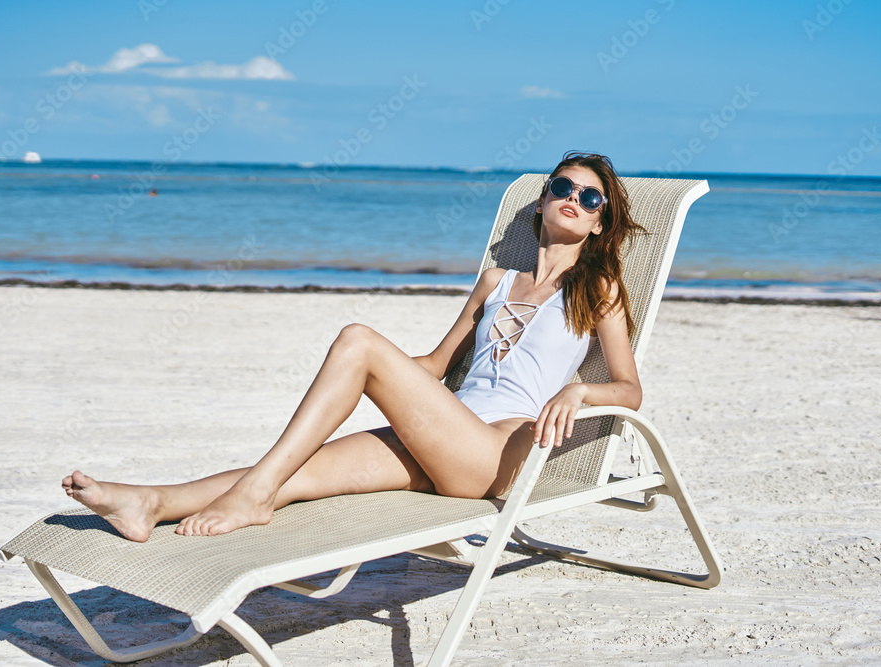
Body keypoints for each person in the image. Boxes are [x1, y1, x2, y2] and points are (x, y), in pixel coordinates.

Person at [62, 152, 645, 542]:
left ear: (599, 224)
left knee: (358, 340)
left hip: (495, 455)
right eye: (562, 187)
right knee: (297, 469)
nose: (574, 197)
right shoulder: (495, 282)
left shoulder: (598, 288)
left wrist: (579, 391)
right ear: (542, 201)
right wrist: (368, 381)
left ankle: (252, 500)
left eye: (590, 198)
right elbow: (435, 366)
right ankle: (150, 502)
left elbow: (630, 390)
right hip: (445, 432)